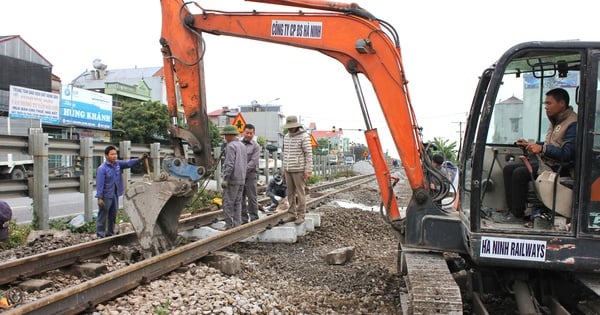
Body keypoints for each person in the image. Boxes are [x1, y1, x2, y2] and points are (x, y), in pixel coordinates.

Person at [502, 87, 577, 220]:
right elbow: (553, 143)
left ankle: (517, 214)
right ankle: (512, 211)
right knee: (508, 169)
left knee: (519, 173)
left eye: (549, 103)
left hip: (559, 168)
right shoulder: (556, 120)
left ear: (562, 104)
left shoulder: (573, 124)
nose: (546, 107)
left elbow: (567, 154)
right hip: (547, 163)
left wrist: (542, 149)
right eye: (545, 104)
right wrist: (531, 145)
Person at [95, 146, 147, 238]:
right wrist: (99, 197)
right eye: (112, 154)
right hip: (106, 195)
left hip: (115, 194)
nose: (114, 156)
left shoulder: (117, 164)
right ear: (106, 156)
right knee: (103, 215)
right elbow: (100, 184)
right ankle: (100, 234)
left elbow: (128, 163)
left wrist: (140, 159)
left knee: (113, 214)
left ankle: (110, 233)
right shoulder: (102, 169)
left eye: (115, 154)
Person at [282, 115, 313, 224]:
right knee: (290, 193)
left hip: (299, 169)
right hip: (288, 169)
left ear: (296, 126)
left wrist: (308, 170)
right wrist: (283, 169)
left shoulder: (304, 136)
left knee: (300, 193)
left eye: (292, 126)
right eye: (288, 126)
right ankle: (291, 214)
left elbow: (308, 154)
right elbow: (285, 154)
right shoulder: (286, 137)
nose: (290, 128)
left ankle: (301, 215)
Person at [220, 125, 247, 230]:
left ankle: (228, 225)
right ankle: (237, 224)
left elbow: (229, 164)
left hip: (232, 179)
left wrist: (225, 178)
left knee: (227, 202)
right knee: (238, 202)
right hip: (241, 178)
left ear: (229, 135)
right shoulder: (242, 145)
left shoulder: (230, 146)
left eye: (225, 135)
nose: (224, 137)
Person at [241, 124, 260, 224]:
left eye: (251, 133)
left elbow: (254, 161)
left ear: (254, 133)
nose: (248, 135)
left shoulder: (256, 146)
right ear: (243, 132)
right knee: (240, 197)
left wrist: (242, 170)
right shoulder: (238, 143)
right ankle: (243, 219)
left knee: (252, 196)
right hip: (238, 175)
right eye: (247, 132)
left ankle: (254, 218)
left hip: (250, 174)